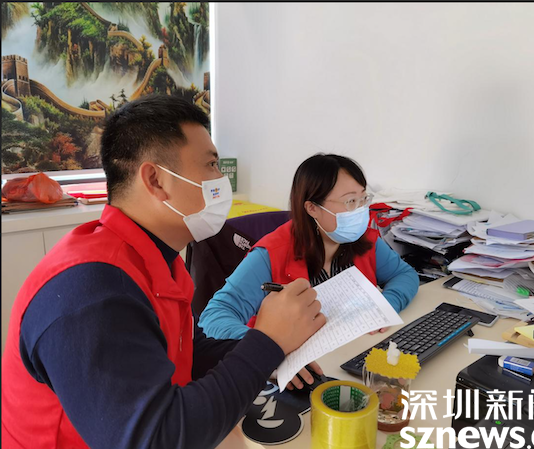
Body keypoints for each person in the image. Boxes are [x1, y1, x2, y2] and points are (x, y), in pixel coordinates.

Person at [1, 95, 325, 449]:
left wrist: (273, 353)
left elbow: (185, 350)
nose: (222, 180)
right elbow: (156, 438)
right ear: (155, 180)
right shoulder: (93, 293)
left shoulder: (156, 259)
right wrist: (266, 342)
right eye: (211, 165)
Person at [199, 154, 420, 388]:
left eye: (363, 199)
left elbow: (404, 275)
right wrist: (267, 349)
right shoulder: (271, 253)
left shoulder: (363, 239)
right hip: (296, 376)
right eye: (349, 201)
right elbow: (214, 317)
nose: (359, 210)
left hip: (351, 358)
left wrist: (386, 304)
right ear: (312, 208)